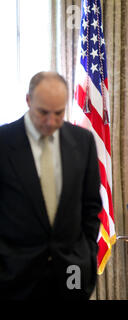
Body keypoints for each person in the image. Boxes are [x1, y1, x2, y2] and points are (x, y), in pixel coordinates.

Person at [0, 71, 102, 299]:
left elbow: (91, 207)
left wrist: (87, 256)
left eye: (59, 113)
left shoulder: (82, 141)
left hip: (71, 275)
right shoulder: (4, 142)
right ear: (28, 101)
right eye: (43, 112)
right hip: (14, 278)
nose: (51, 121)